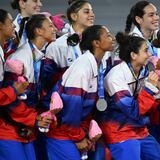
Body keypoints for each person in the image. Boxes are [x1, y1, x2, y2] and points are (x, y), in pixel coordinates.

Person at [42, 25, 115, 160]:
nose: (113, 38)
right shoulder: (82, 69)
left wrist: (85, 132)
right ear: (96, 43)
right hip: (62, 132)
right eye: (108, 35)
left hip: (75, 129)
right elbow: (71, 107)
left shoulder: (97, 64)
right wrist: (79, 137)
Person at [2, 14, 56, 160]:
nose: (54, 29)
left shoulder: (39, 57)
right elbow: (10, 101)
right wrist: (34, 119)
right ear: (38, 31)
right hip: (10, 127)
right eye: (50, 26)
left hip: (25, 127)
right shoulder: (19, 58)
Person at [99, 32, 160, 160]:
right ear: (133, 55)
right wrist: (150, 90)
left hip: (139, 128)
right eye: (146, 51)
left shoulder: (143, 71)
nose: (150, 55)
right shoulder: (115, 77)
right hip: (118, 131)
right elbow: (134, 111)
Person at [125, 0, 160, 143]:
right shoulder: (131, 43)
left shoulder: (156, 38)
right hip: (141, 103)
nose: (156, 18)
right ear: (139, 19)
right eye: (151, 15)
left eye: (157, 14)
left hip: (155, 101)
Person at [41, 0, 95, 93]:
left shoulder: (98, 44)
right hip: (65, 101)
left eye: (92, 11)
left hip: (92, 101)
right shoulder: (56, 46)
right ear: (74, 16)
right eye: (86, 12)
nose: (92, 15)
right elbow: (47, 80)